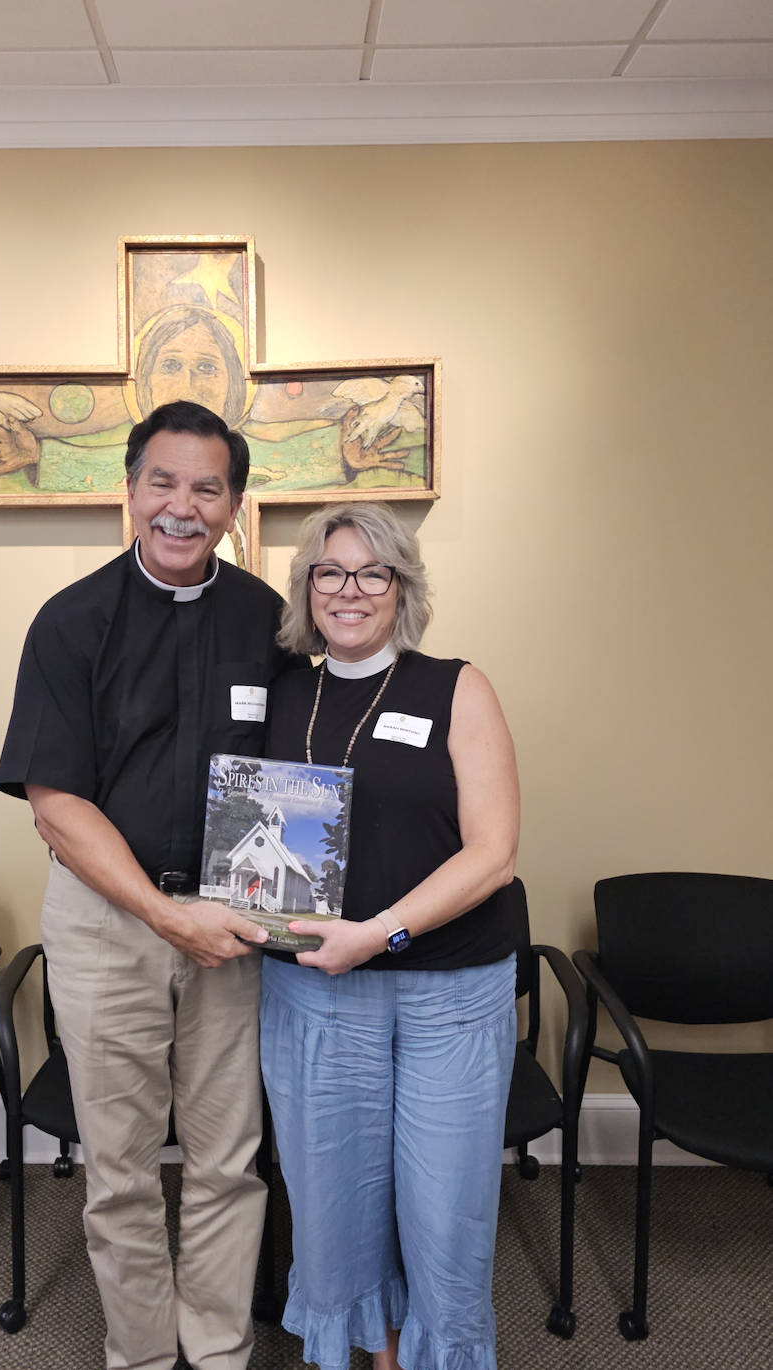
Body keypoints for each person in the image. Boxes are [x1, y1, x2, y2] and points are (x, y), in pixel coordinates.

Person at [0, 399, 307, 1370]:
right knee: (122, 1170)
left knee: (227, 1159)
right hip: (107, 926)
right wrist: (167, 915)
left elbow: (300, 776)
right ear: (129, 489)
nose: (182, 505)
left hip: (234, 928)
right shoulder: (70, 621)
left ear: (234, 504)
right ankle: (138, 1354)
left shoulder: (268, 620)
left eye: (206, 488)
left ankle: (216, 1351)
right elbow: (56, 802)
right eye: (162, 481)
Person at [260, 502, 520, 1370]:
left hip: (451, 990)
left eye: (374, 573)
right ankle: (372, 1350)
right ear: (306, 587)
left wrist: (377, 934)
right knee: (332, 1203)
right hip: (316, 992)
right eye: (330, 572)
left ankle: (438, 1353)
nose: (350, 590)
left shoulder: (455, 686)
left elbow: (493, 854)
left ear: (402, 588)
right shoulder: (281, 693)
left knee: (445, 1211)